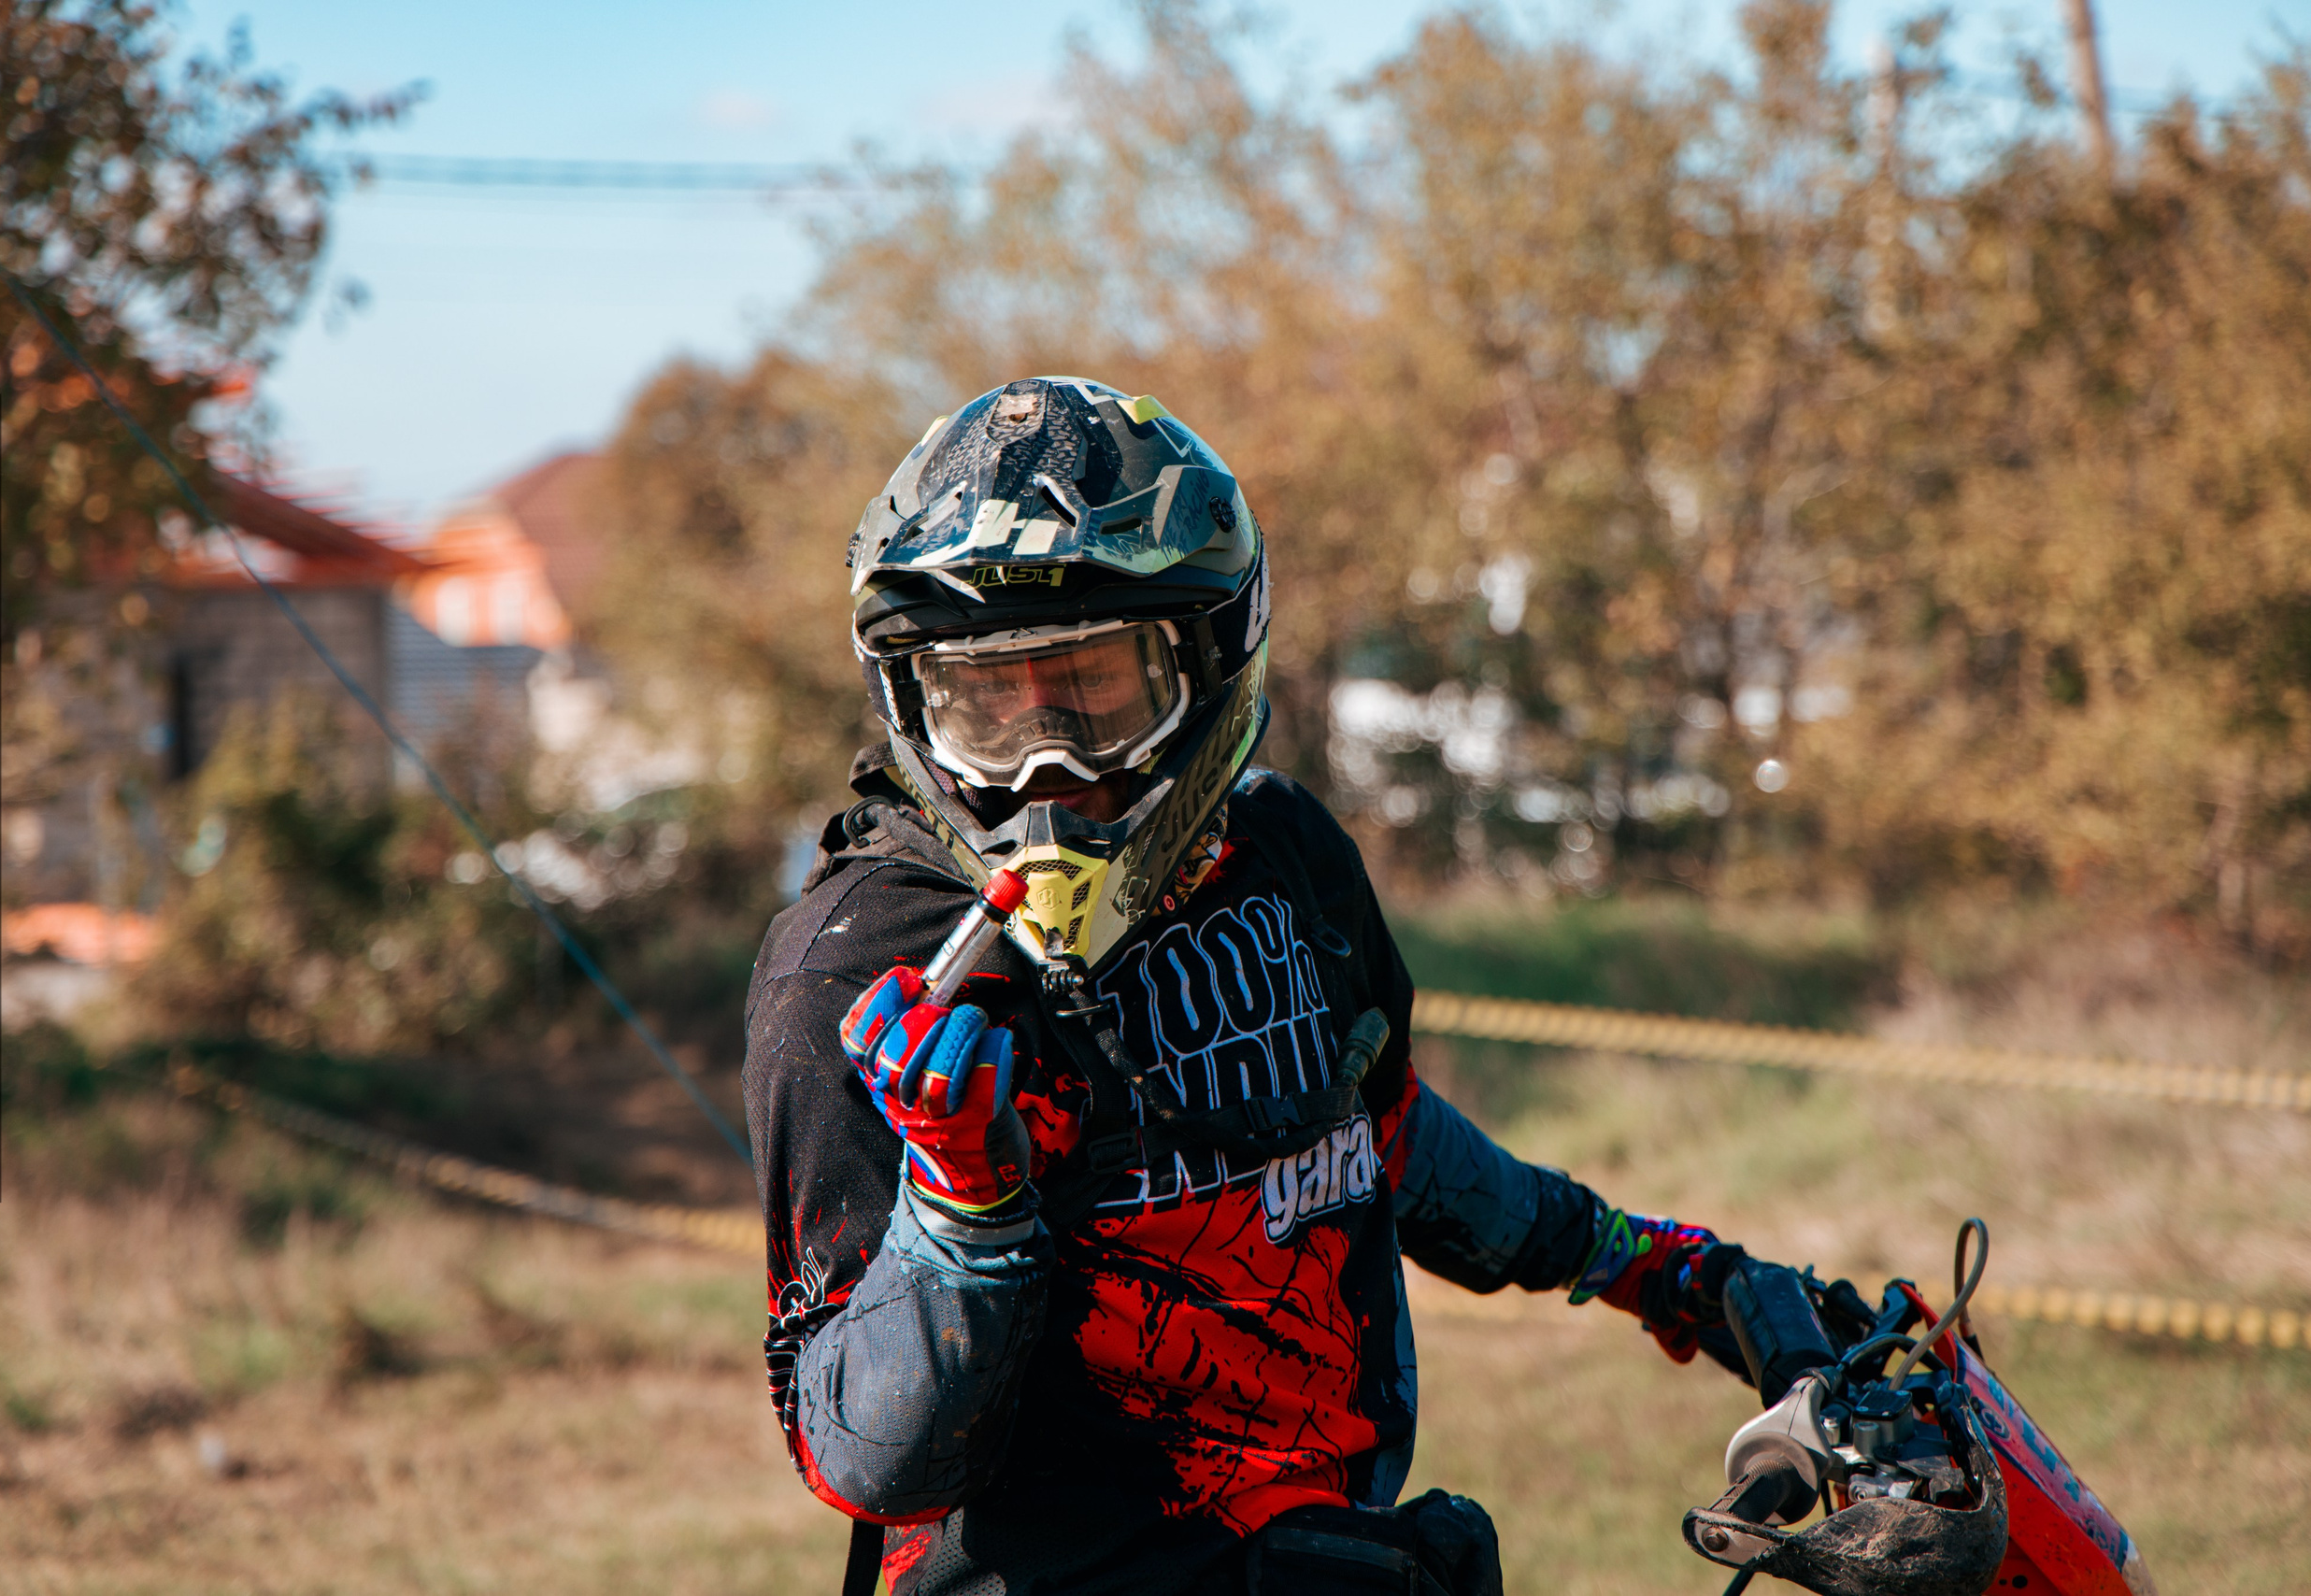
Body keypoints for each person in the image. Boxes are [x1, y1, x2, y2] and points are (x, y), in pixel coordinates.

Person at [746, 378, 1801, 1595]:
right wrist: (964, 1211)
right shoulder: (860, 971)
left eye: (1097, 689)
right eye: (986, 707)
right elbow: (860, 1458)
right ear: (910, 703)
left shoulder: (1282, 854)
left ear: (1211, 659)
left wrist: (1664, 1270)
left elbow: (1381, 1131)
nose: (1050, 772)